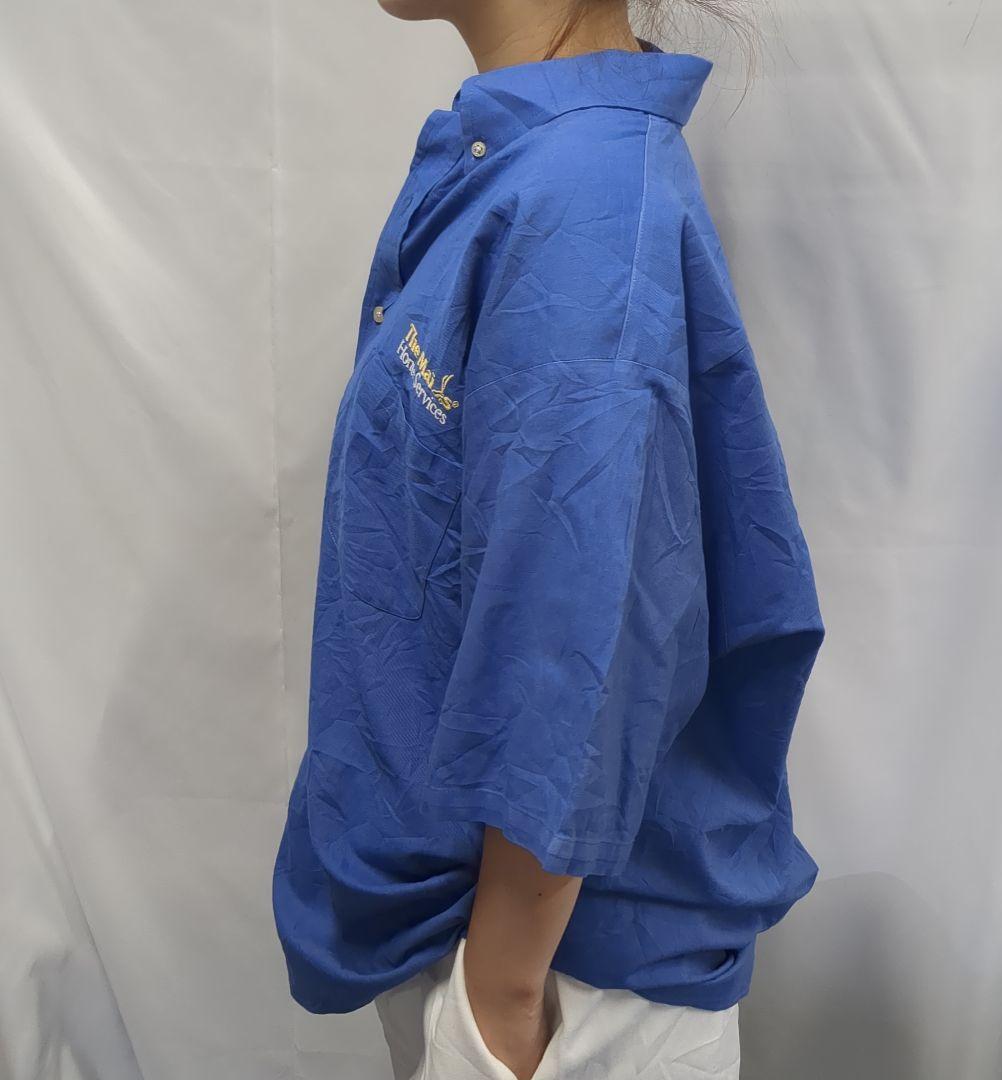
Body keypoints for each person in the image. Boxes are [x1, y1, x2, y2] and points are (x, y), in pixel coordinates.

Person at [271, 2, 826, 1077]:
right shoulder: (523, 161)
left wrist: (498, 1004)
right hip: (504, 940)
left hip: (560, 990)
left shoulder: (583, 196)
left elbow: (579, 629)